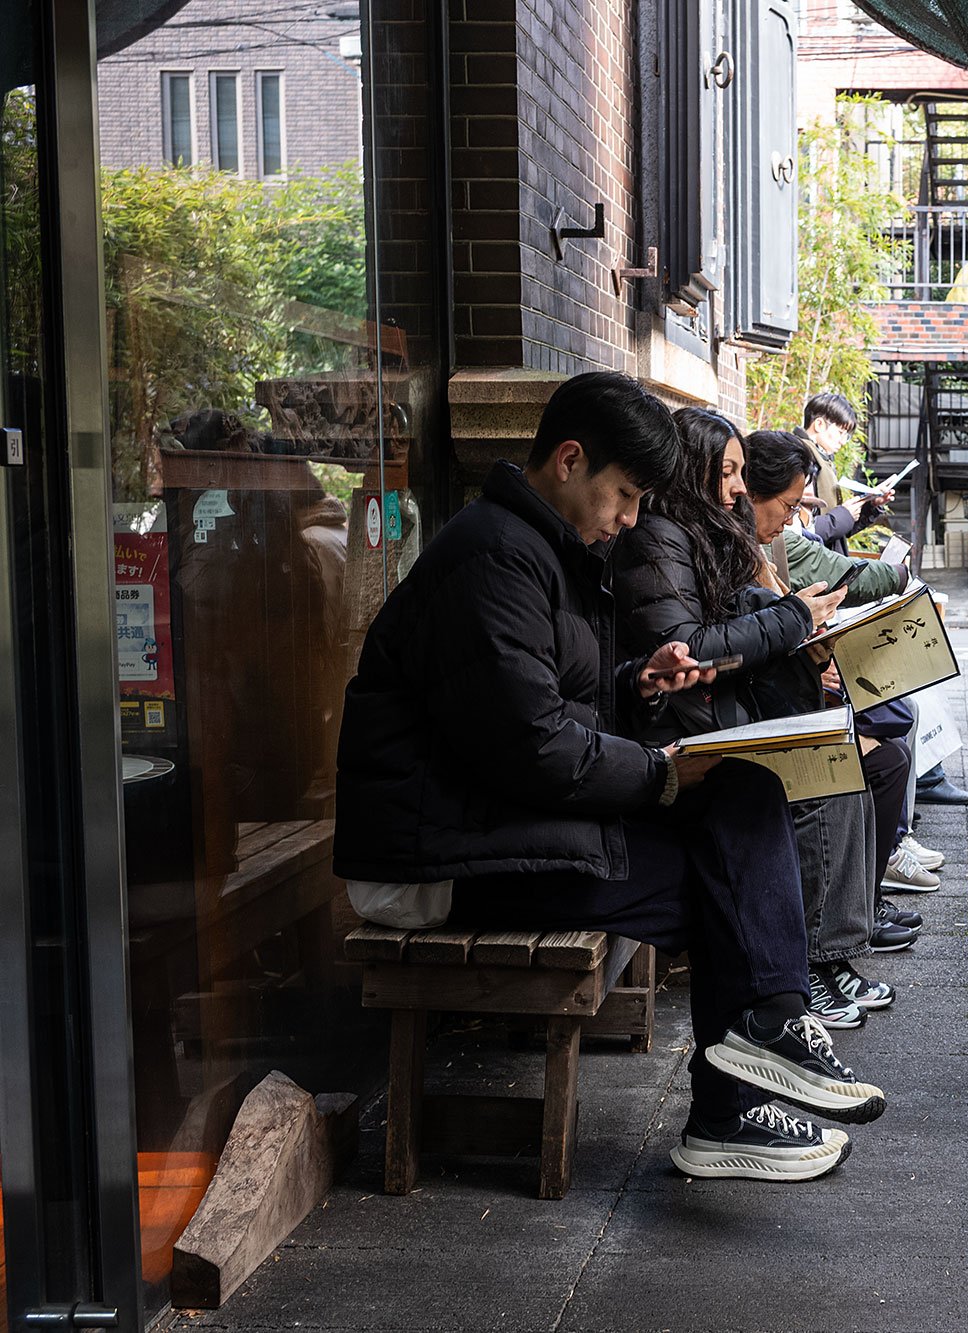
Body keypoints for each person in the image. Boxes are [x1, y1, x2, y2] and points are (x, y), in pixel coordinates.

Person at [334, 372, 883, 1183]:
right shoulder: (491, 559)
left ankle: (768, 1024)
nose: (629, 519)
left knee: (746, 791)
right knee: (723, 879)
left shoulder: (547, 551)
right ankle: (732, 1098)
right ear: (568, 459)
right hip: (430, 854)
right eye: (625, 495)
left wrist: (635, 683)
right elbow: (537, 749)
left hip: (488, 812)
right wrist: (662, 771)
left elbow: (550, 708)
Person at [610, 408, 908, 1028]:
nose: (739, 489)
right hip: (685, 737)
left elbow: (720, 631)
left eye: (741, 474)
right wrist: (794, 619)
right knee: (821, 780)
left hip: (713, 717)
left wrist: (800, 635)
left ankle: (825, 963)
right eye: (727, 474)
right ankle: (804, 976)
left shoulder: (702, 534)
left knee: (847, 763)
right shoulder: (660, 537)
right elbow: (689, 647)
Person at [739, 430, 941, 926]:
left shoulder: (760, 542)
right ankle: (841, 928)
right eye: (790, 505)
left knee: (893, 731)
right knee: (878, 751)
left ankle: (861, 905)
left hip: (786, 693)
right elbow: (730, 645)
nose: (794, 518)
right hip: (764, 714)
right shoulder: (732, 548)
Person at [800, 390, 893, 556]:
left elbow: (837, 531)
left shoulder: (823, 458)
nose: (843, 441)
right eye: (840, 433)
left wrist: (871, 505)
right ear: (819, 424)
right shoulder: (800, 457)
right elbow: (801, 531)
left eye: (847, 436)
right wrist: (844, 514)